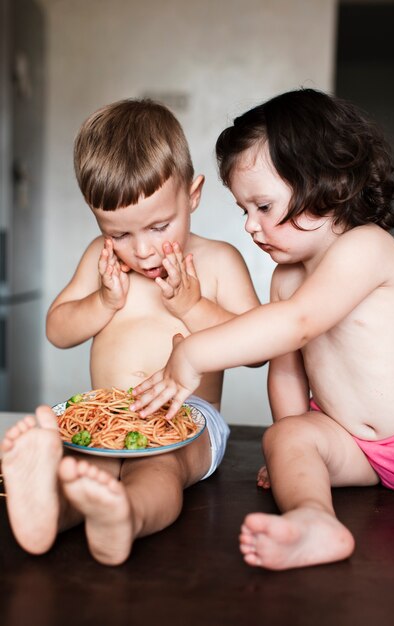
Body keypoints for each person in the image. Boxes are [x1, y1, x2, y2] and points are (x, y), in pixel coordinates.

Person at [130, 88, 394, 571]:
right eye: (245, 210)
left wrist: (192, 354)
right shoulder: (286, 278)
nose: (249, 226)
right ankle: (313, 519)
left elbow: (297, 325)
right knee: (283, 438)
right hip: (360, 451)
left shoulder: (367, 248)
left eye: (262, 207)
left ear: (326, 184)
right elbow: (287, 372)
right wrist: (294, 448)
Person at [1, 98, 261, 566]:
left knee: (158, 467)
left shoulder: (220, 261)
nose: (141, 251)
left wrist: (193, 305)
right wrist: (103, 301)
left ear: (193, 194)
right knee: (87, 467)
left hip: (187, 418)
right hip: (107, 413)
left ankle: (129, 517)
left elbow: (258, 347)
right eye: (118, 234)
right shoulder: (99, 261)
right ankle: (50, 514)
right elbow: (58, 330)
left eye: (159, 225)